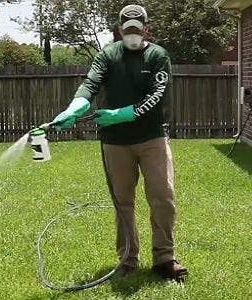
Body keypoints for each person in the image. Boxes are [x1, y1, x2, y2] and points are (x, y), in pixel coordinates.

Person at [51, 4, 187, 280]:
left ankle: (164, 258)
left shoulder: (158, 56)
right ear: (119, 30)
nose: (133, 35)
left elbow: (156, 96)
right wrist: (74, 108)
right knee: (123, 201)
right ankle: (127, 258)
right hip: (115, 143)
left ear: (146, 29)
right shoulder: (108, 55)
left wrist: (122, 114)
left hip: (152, 138)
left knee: (162, 197)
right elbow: (90, 84)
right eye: (128, 30)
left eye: (138, 30)